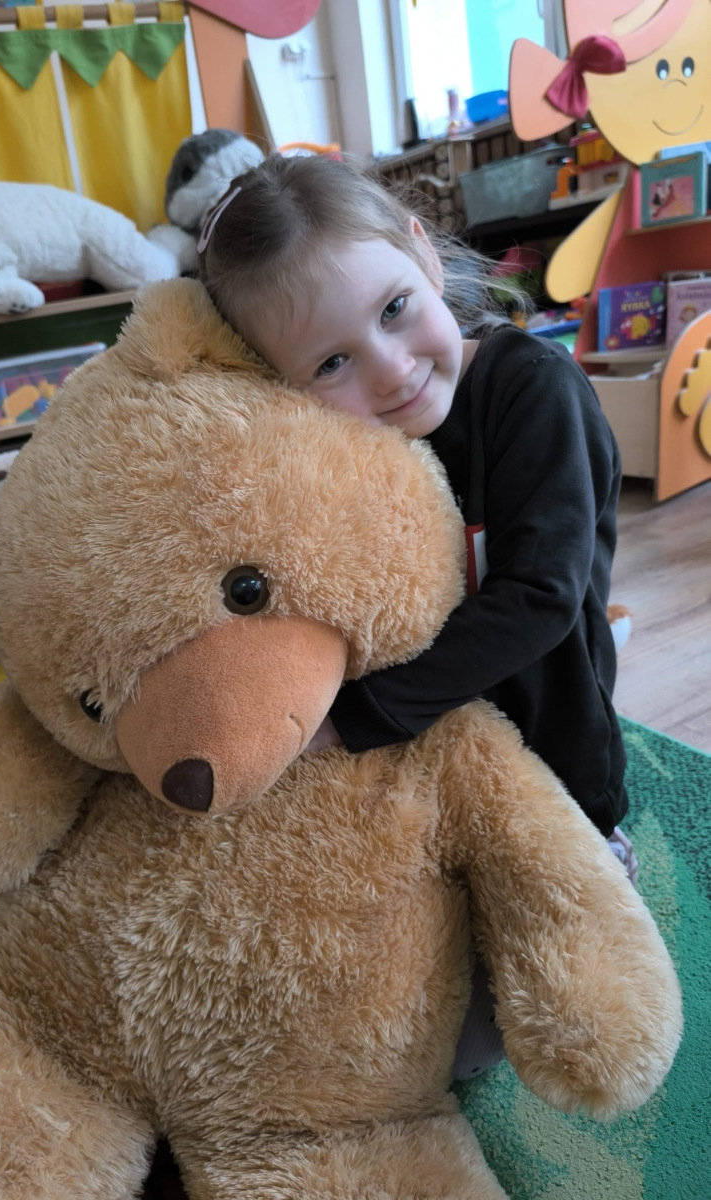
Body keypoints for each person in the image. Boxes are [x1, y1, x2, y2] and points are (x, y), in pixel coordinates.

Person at [197, 155, 636, 1071]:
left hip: (555, 759)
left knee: (489, 1037)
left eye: (394, 308)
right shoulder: (335, 452)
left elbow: (542, 599)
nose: (392, 370)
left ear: (423, 253)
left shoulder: (534, 389)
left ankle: (610, 866)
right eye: (332, 363)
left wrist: (350, 718)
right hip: (417, 783)